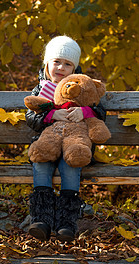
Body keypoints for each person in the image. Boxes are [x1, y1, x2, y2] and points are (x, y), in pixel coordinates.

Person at [25, 36, 107, 242]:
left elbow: (100, 112)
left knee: (71, 168)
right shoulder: (41, 89)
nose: (61, 68)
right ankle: (41, 220)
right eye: (57, 62)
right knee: (41, 164)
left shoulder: (82, 87)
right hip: (47, 144)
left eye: (67, 64)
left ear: (74, 68)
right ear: (47, 64)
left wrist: (85, 112)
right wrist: (52, 115)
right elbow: (30, 116)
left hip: (74, 145)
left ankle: (66, 223)